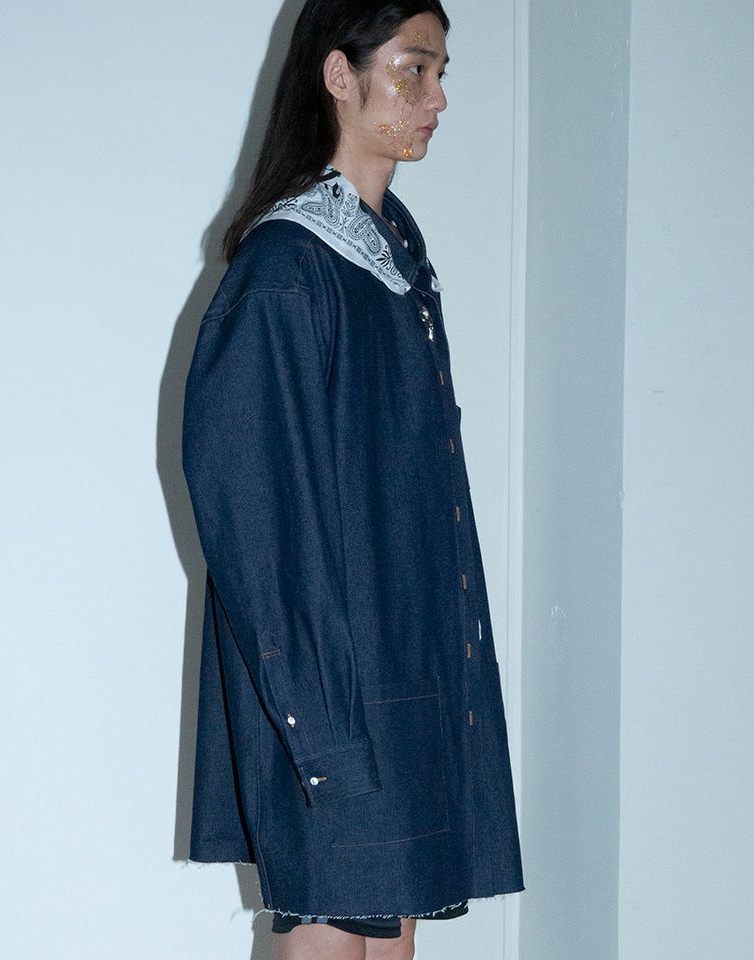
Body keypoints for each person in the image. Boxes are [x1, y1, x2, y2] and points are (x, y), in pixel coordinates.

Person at [181, 1, 525, 956]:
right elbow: (253, 517)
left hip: (405, 680)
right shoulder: (290, 269)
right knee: (334, 935)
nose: (437, 98)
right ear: (340, 75)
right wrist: (319, 727)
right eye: (414, 70)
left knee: (391, 937)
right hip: (334, 698)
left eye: (441, 73)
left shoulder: (393, 258)